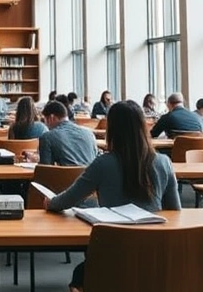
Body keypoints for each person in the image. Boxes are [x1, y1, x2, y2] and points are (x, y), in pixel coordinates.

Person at [45, 101, 181, 292]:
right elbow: (176, 213)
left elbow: (68, 199)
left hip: (113, 257)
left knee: (81, 274)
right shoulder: (164, 163)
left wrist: (51, 202)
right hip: (156, 259)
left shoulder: (103, 164)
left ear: (112, 129)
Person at [27, 100, 97, 166]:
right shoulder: (89, 133)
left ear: (51, 118)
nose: (45, 124)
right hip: (91, 178)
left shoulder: (47, 137)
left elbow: (45, 170)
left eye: (44, 120)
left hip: (64, 178)